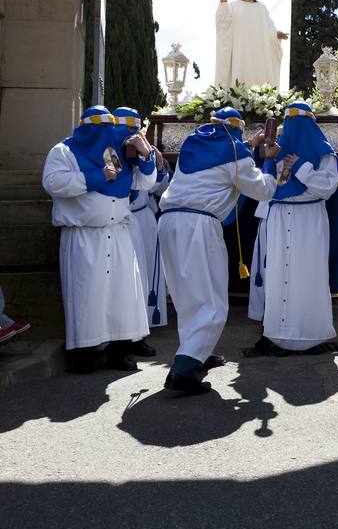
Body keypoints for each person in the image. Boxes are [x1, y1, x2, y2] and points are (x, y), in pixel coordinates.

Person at [158, 107, 278, 394]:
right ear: (236, 128)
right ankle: (184, 370)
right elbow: (262, 190)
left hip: (170, 221)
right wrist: (270, 163)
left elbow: (223, 164)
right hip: (199, 225)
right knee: (211, 301)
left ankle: (197, 351)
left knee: (188, 297)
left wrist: (251, 148)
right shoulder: (234, 151)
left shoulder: (193, 143)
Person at [42, 105, 157, 373]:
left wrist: (146, 155)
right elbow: (53, 183)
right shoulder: (63, 151)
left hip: (117, 233)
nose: (105, 134)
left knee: (121, 296)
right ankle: (82, 356)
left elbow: (144, 183)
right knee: (86, 297)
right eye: (99, 129)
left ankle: (119, 354)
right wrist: (96, 176)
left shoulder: (113, 151)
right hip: (84, 236)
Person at [252, 102, 338, 354]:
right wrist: (269, 159)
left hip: (308, 218)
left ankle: (310, 332)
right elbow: (268, 186)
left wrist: (302, 167)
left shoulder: (324, 153)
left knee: (307, 274)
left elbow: (327, 187)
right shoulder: (277, 151)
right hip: (279, 216)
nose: (293, 130)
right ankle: (275, 331)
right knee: (278, 274)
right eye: (288, 122)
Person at [113, 107, 171, 356]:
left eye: (136, 129)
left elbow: (160, 190)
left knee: (146, 277)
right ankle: (123, 336)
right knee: (124, 282)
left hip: (143, 221)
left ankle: (142, 330)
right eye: (127, 130)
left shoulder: (148, 152)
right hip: (119, 222)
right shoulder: (109, 153)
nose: (133, 136)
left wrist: (157, 165)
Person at [214, 0, 289, 88]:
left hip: (257, 55)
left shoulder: (261, 8)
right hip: (239, 53)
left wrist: (276, 35)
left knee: (258, 80)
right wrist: (223, 3)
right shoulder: (233, 6)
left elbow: (268, 30)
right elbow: (223, 23)